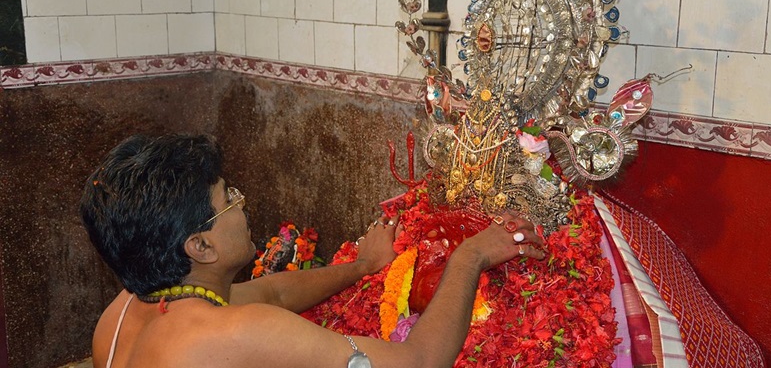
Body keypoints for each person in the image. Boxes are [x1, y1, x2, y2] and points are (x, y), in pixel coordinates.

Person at [81, 134, 545, 368]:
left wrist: (362, 265)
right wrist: (470, 257)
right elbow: (419, 363)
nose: (243, 205)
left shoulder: (127, 311)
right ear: (200, 246)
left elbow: (275, 293)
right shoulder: (233, 334)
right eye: (230, 198)